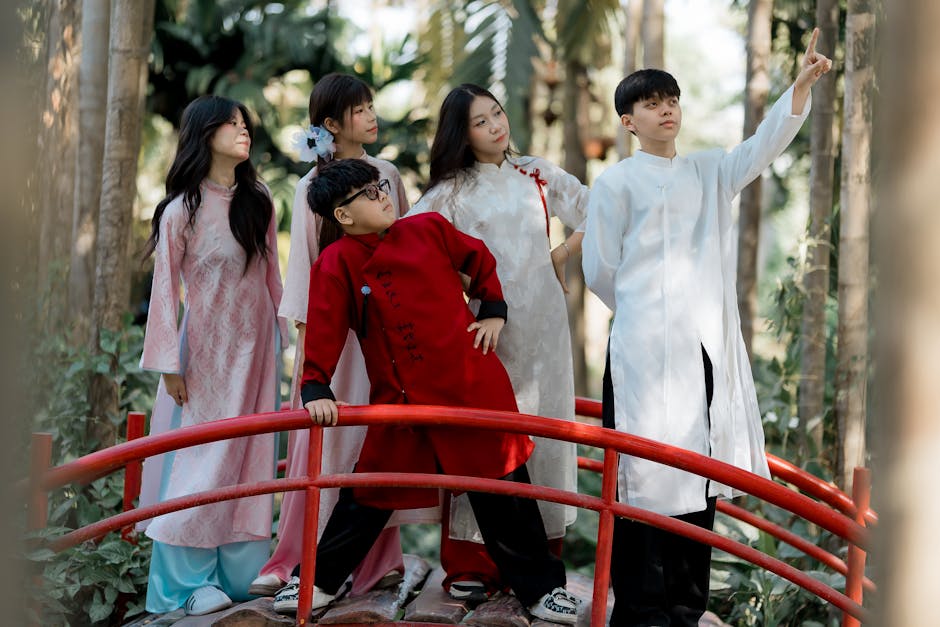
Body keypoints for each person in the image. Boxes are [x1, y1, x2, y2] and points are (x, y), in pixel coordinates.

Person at [581, 28, 832, 626]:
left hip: (702, 350)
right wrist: (646, 313)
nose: (667, 109)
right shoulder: (615, 182)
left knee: (698, 477)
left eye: (672, 99)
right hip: (641, 350)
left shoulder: (708, 171)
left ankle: (687, 608)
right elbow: (599, 268)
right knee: (640, 475)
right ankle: (639, 609)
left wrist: (796, 89)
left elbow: (761, 147)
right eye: (651, 103)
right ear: (627, 121)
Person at [274, 158, 580, 625]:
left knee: (506, 493)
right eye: (369, 193)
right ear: (344, 215)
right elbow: (325, 330)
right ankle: (316, 581)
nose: (383, 195)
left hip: (470, 386)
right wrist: (316, 384)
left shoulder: (428, 228)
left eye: (381, 186)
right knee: (368, 494)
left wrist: (493, 308)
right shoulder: (336, 263)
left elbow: (479, 258)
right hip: (402, 398)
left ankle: (542, 590)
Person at [249, 73, 435, 604]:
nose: (372, 116)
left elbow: (406, 246)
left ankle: (378, 560)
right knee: (324, 438)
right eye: (359, 110)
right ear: (331, 125)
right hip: (334, 333)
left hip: (384, 328)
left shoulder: (388, 174)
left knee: (370, 437)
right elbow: (306, 268)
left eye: (372, 106)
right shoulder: (313, 186)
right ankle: (297, 557)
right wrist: (310, 354)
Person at [408, 83, 589, 599]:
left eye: (497, 113)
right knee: (487, 438)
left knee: (546, 433)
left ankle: (537, 563)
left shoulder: (536, 173)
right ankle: (472, 563)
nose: (495, 126)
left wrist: (562, 253)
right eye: (480, 121)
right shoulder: (450, 192)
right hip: (487, 332)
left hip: (546, 328)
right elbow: (411, 245)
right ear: (460, 135)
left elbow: (598, 209)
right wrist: (466, 291)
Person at [138, 95, 288, 616]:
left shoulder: (260, 200)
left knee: (248, 458)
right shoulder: (182, 210)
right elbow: (164, 291)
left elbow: (273, 282)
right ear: (205, 134)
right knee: (203, 459)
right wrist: (168, 365)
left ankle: (239, 574)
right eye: (232, 124)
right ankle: (185, 583)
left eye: (245, 124)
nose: (244, 132)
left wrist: (287, 344)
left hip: (257, 353)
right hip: (204, 354)